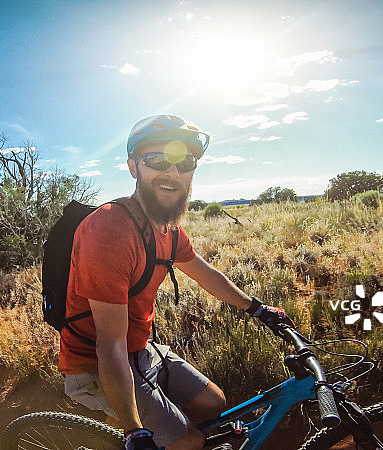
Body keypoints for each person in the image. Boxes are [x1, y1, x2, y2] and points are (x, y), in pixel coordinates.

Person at [58, 115, 293, 450]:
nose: (173, 172)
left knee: (214, 404)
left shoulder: (168, 229)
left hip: (142, 350)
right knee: (189, 442)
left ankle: (162, 432)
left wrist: (259, 309)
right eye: (156, 160)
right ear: (133, 167)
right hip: (96, 363)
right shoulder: (109, 230)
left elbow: (206, 274)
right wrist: (135, 431)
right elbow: (108, 345)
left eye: (185, 162)